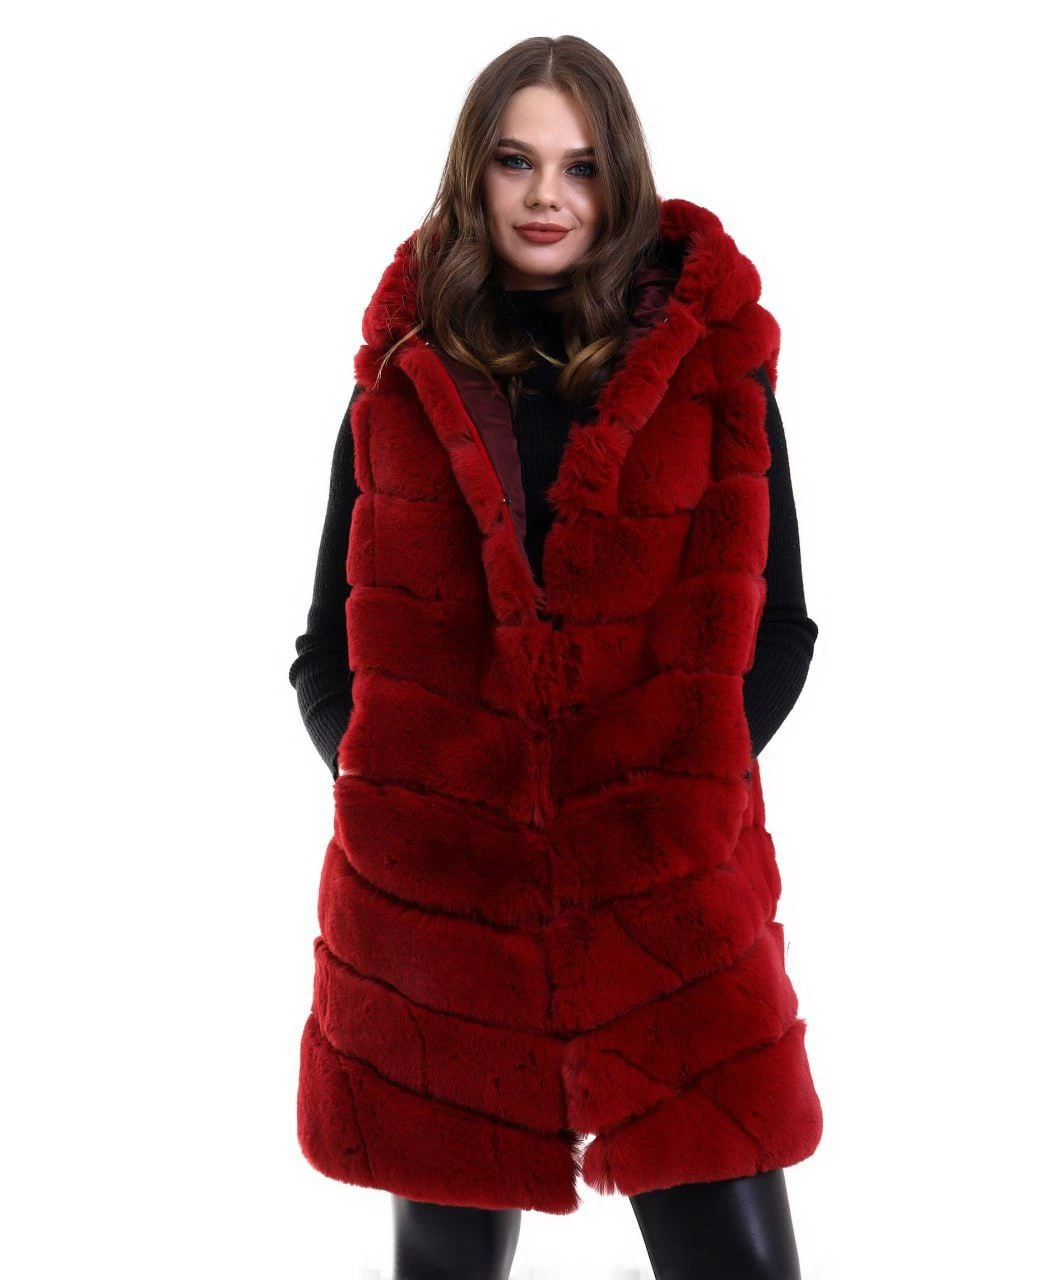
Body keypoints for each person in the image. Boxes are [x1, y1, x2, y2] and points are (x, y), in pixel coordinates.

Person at [289, 36, 822, 1280]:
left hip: (668, 903)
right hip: (440, 918)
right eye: (516, 161)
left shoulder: (712, 372)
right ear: (472, 175)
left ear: (619, 176)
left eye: (580, 166)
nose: (546, 196)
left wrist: (671, 797)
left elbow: (781, 628)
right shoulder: (403, 380)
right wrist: (409, 800)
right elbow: (325, 648)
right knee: (447, 1266)